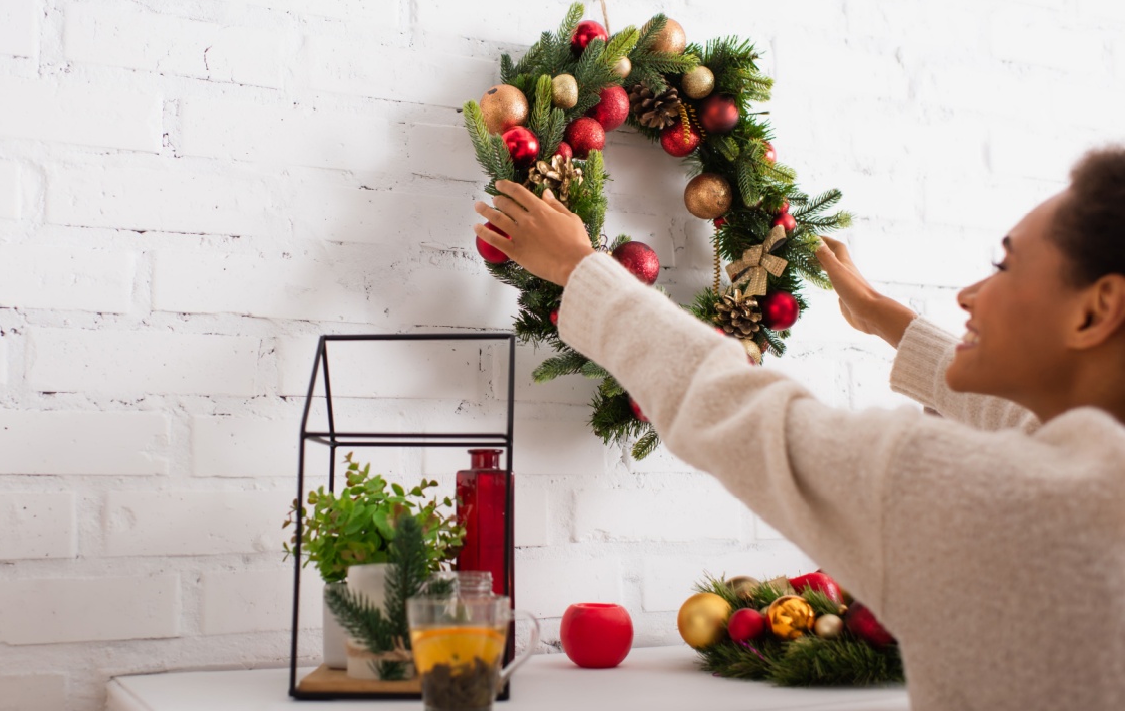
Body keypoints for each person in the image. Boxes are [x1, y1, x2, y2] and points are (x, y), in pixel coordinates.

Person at [473, 148, 1125, 711]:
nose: (968, 295)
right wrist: (885, 320)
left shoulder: (1014, 507)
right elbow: (1020, 420)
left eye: (1006, 265)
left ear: (1097, 310)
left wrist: (583, 270)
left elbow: (744, 411)